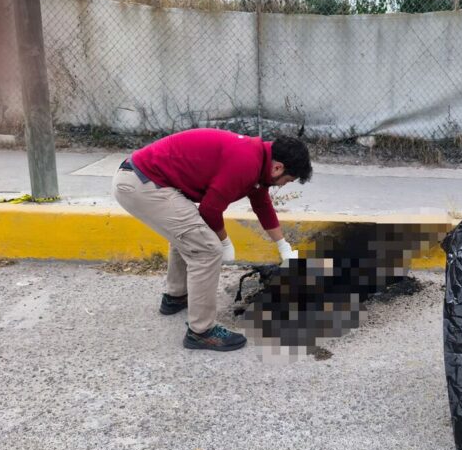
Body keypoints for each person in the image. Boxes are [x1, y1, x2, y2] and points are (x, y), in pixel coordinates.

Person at [112, 128, 312, 352]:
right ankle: (201, 331)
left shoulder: (257, 160)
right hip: (143, 184)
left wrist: (283, 247)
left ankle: (175, 297)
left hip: (141, 178)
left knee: (192, 234)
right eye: (287, 180)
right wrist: (224, 243)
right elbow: (210, 210)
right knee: (206, 249)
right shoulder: (246, 162)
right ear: (277, 168)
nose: (283, 185)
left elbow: (262, 205)